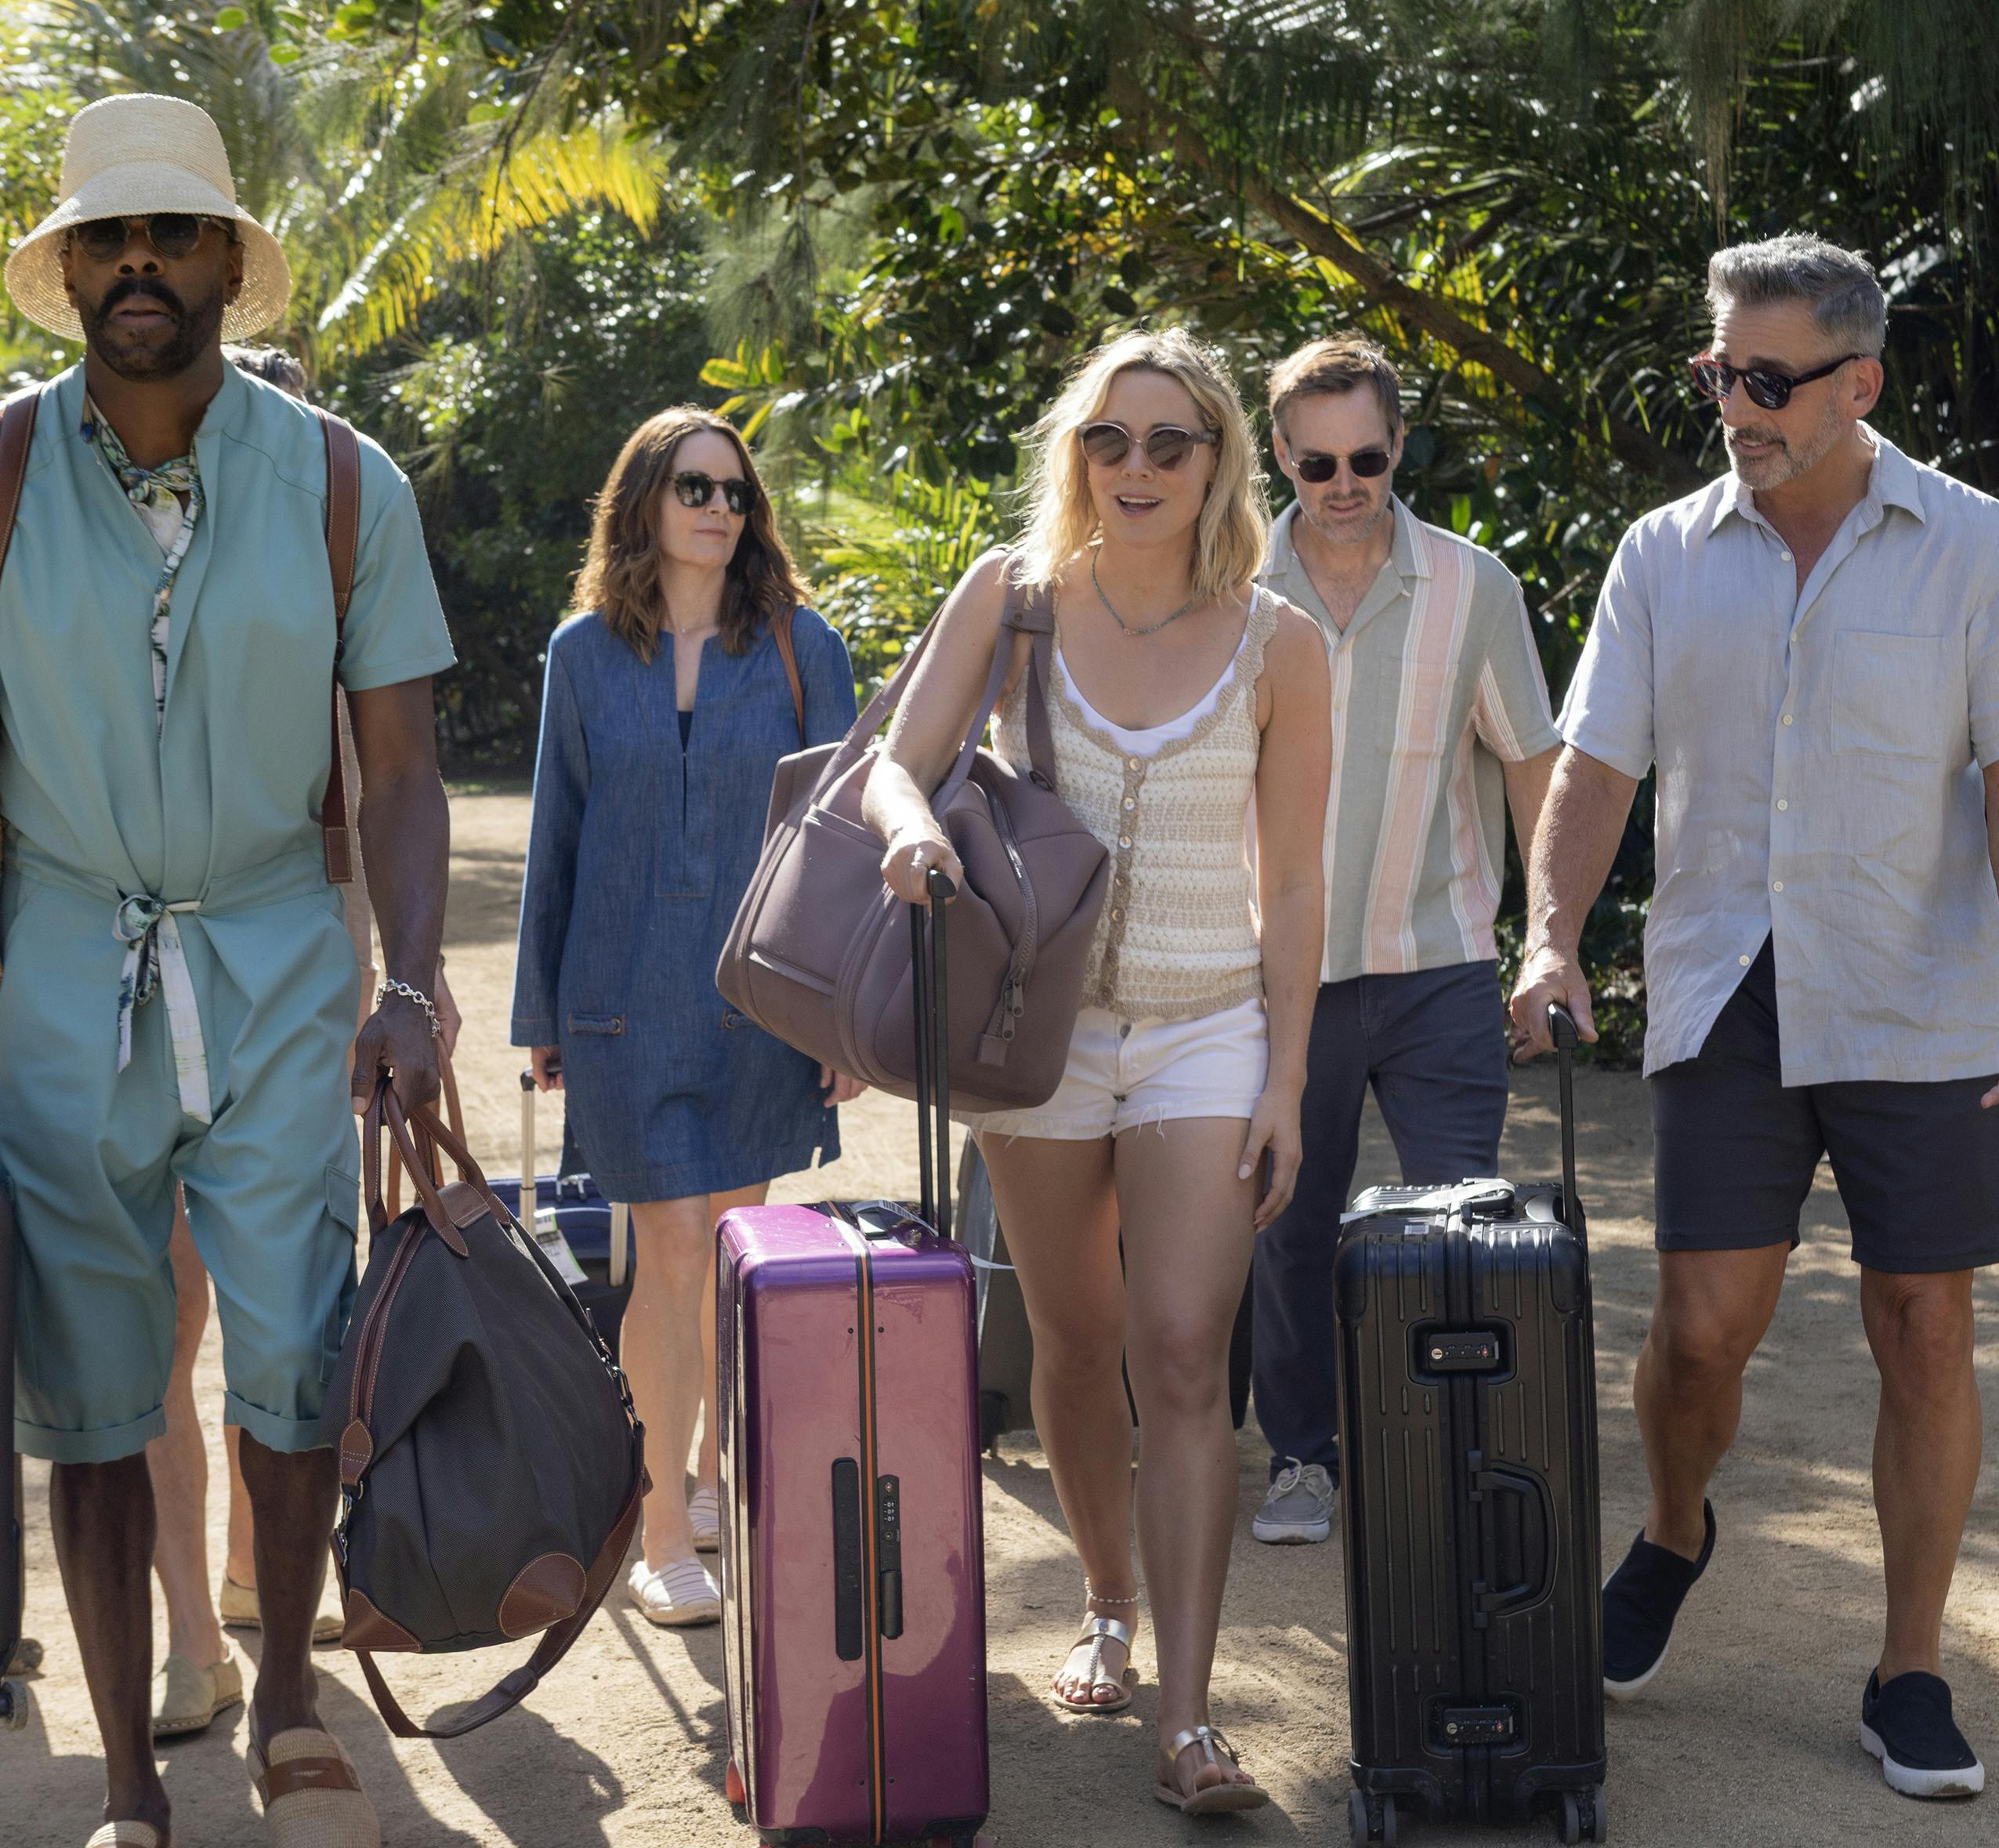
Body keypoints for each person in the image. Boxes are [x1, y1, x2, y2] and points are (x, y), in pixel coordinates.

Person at [1508, 234, 1999, 1800]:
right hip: (1729, 984)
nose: (1733, 407)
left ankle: (1906, 1666)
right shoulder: (1661, 552)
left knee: (1922, 1331)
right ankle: (1673, 1529)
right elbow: (1594, 768)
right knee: (1699, 1330)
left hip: (1919, 996)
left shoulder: (1972, 546)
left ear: (1858, 386)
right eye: (1717, 373)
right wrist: (1549, 938)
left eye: (1764, 382)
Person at [0, 93, 454, 1848]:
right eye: (106, 236)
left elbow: (402, 767)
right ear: (66, 270)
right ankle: (126, 1782)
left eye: (170, 234)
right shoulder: (6, 475)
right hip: (55, 967)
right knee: (94, 1396)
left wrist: (409, 981)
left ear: (221, 265)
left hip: (278, 964)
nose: (137, 264)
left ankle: (282, 1699)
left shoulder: (343, 482)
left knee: (292, 1364)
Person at [862, 329, 1330, 1814]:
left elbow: (1300, 884)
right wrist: (909, 827)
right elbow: (891, 754)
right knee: (1070, 1342)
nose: (1133, 468)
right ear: (1076, 456)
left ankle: (1186, 1724)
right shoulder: (1009, 602)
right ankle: (1107, 1602)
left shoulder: (1281, 641)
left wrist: (1286, 1081)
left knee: (1185, 1349)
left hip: (1207, 1031)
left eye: (1167, 444)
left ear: (1216, 467)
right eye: (1107, 441)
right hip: (1032, 1033)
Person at [140, 343, 465, 1741]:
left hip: (306, 962)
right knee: (160, 1317)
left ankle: (248, 1584)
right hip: (135, 970)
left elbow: (399, 778)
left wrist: (411, 978)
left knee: (280, 1317)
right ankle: (187, 1637)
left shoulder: (339, 542)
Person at [512, 406, 860, 1628]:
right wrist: (538, 1007)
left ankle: (706, 1472)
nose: (720, 508)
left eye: (735, 491)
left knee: (725, 1249)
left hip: (758, 999)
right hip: (617, 995)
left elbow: (840, 841)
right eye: (695, 487)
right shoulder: (580, 652)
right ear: (645, 501)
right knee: (665, 1252)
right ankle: (663, 1527)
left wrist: (837, 1018)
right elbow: (555, 833)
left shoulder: (805, 646)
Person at [1243, 334, 1560, 1545]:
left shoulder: (1473, 586)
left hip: (1436, 965)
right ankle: (1301, 1462)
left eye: (1365, 456)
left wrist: (1551, 941)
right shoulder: (1229, 585)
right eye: (1314, 462)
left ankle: (1443, 1457)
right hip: (1279, 975)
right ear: (1278, 453)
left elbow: (1531, 759)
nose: (1341, 484)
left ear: (1398, 444)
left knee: (1456, 1226)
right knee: (1288, 1224)